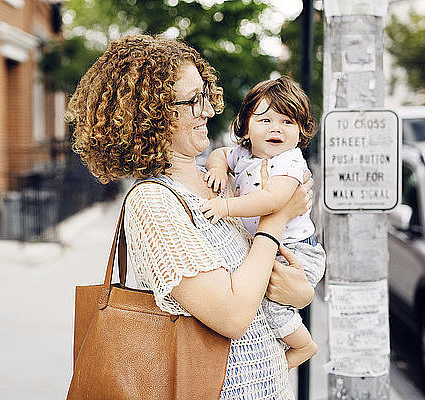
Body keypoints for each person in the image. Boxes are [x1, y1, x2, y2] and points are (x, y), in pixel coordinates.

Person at [68, 34, 315, 399]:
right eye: (193, 100)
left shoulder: (220, 182)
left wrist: (299, 291)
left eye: (206, 95)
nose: (209, 110)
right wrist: (275, 221)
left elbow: (261, 284)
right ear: (151, 114)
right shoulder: (153, 203)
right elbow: (232, 316)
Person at [199, 76, 326, 369]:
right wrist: (218, 169)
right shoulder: (243, 155)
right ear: (245, 126)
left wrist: (225, 206)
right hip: (273, 245)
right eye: (265, 120)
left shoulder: (290, 162)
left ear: (301, 132)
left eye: (287, 122)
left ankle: (303, 345)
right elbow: (219, 154)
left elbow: (272, 200)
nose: (276, 129)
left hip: (296, 251)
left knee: (271, 306)